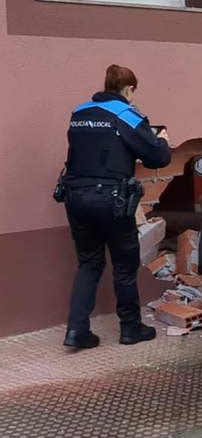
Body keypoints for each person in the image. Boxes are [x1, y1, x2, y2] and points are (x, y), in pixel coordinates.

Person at [60, 64, 171, 349]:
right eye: (134, 91)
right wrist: (162, 141)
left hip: (75, 198)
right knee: (124, 265)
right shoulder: (126, 116)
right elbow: (157, 158)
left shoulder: (79, 114)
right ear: (128, 89)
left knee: (89, 263)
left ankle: (76, 330)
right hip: (112, 200)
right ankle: (131, 329)